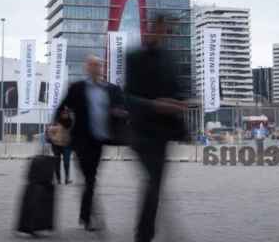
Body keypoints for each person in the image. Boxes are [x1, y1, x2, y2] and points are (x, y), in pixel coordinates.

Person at [126, 20, 188, 242]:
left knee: (156, 184)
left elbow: (177, 90)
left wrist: (179, 103)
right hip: (141, 133)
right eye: (162, 30)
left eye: (167, 32)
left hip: (163, 134)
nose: (165, 36)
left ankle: (147, 233)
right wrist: (154, 105)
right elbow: (128, 97)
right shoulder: (134, 57)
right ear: (152, 29)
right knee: (153, 182)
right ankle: (144, 235)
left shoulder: (169, 59)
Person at [54, 55, 126, 232]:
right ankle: (87, 217)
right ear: (86, 68)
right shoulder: (78, 88)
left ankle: (85, 215)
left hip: (99, 140)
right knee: (90, 178)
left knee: (91, 177)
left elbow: (123, 109)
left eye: (98, 65)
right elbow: (62, 108)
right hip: (81, 141)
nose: (95, 68)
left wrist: (119, 114)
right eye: (92, 65)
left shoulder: (109, 90)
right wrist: (63, 122)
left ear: (101, 68)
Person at [47, 108, 73, 185]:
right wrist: (53, 139)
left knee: (67, 162)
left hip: (67, 145)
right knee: (57, 162)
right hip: (56, 145)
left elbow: (74, 133)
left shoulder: (71, 122)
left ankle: (67, 178)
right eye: (63, 113)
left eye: (66, 113)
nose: (65, 114)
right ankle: (58, 179)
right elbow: (49, 130)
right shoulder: (56, 122)